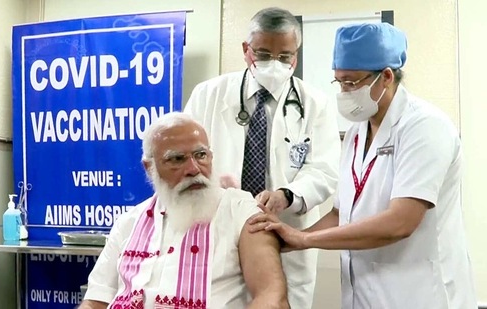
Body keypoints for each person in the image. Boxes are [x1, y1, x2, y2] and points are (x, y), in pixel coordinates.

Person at [248, 22, 477, 308]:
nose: (344, 91)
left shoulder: (425, 127)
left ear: (387, 77)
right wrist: (291, 239)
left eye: (352, 82)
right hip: (366, 295)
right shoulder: (358, 131)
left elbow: (400, 223)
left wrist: (305, 240)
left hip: (420, 294)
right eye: (339, 82)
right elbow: (341, 213)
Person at [184, 7, 340, 308]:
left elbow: (324, 171)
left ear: (296, 55)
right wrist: (214, 183)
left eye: (284, 57)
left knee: (279, 300)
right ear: (246, 50)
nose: (275, 64)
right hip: (218, 227)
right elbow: (184, 158)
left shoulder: (315, 105)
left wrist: (287, 195)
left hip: (283, 230)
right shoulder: (207, 95)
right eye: (264, 54)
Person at [79, 112, 289, 309]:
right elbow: (96, 300)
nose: (194, 169)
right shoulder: (129, 222)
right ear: (149, 168)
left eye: (200, 155)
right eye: (177, 159)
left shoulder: (241, 211)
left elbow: (272, 298)